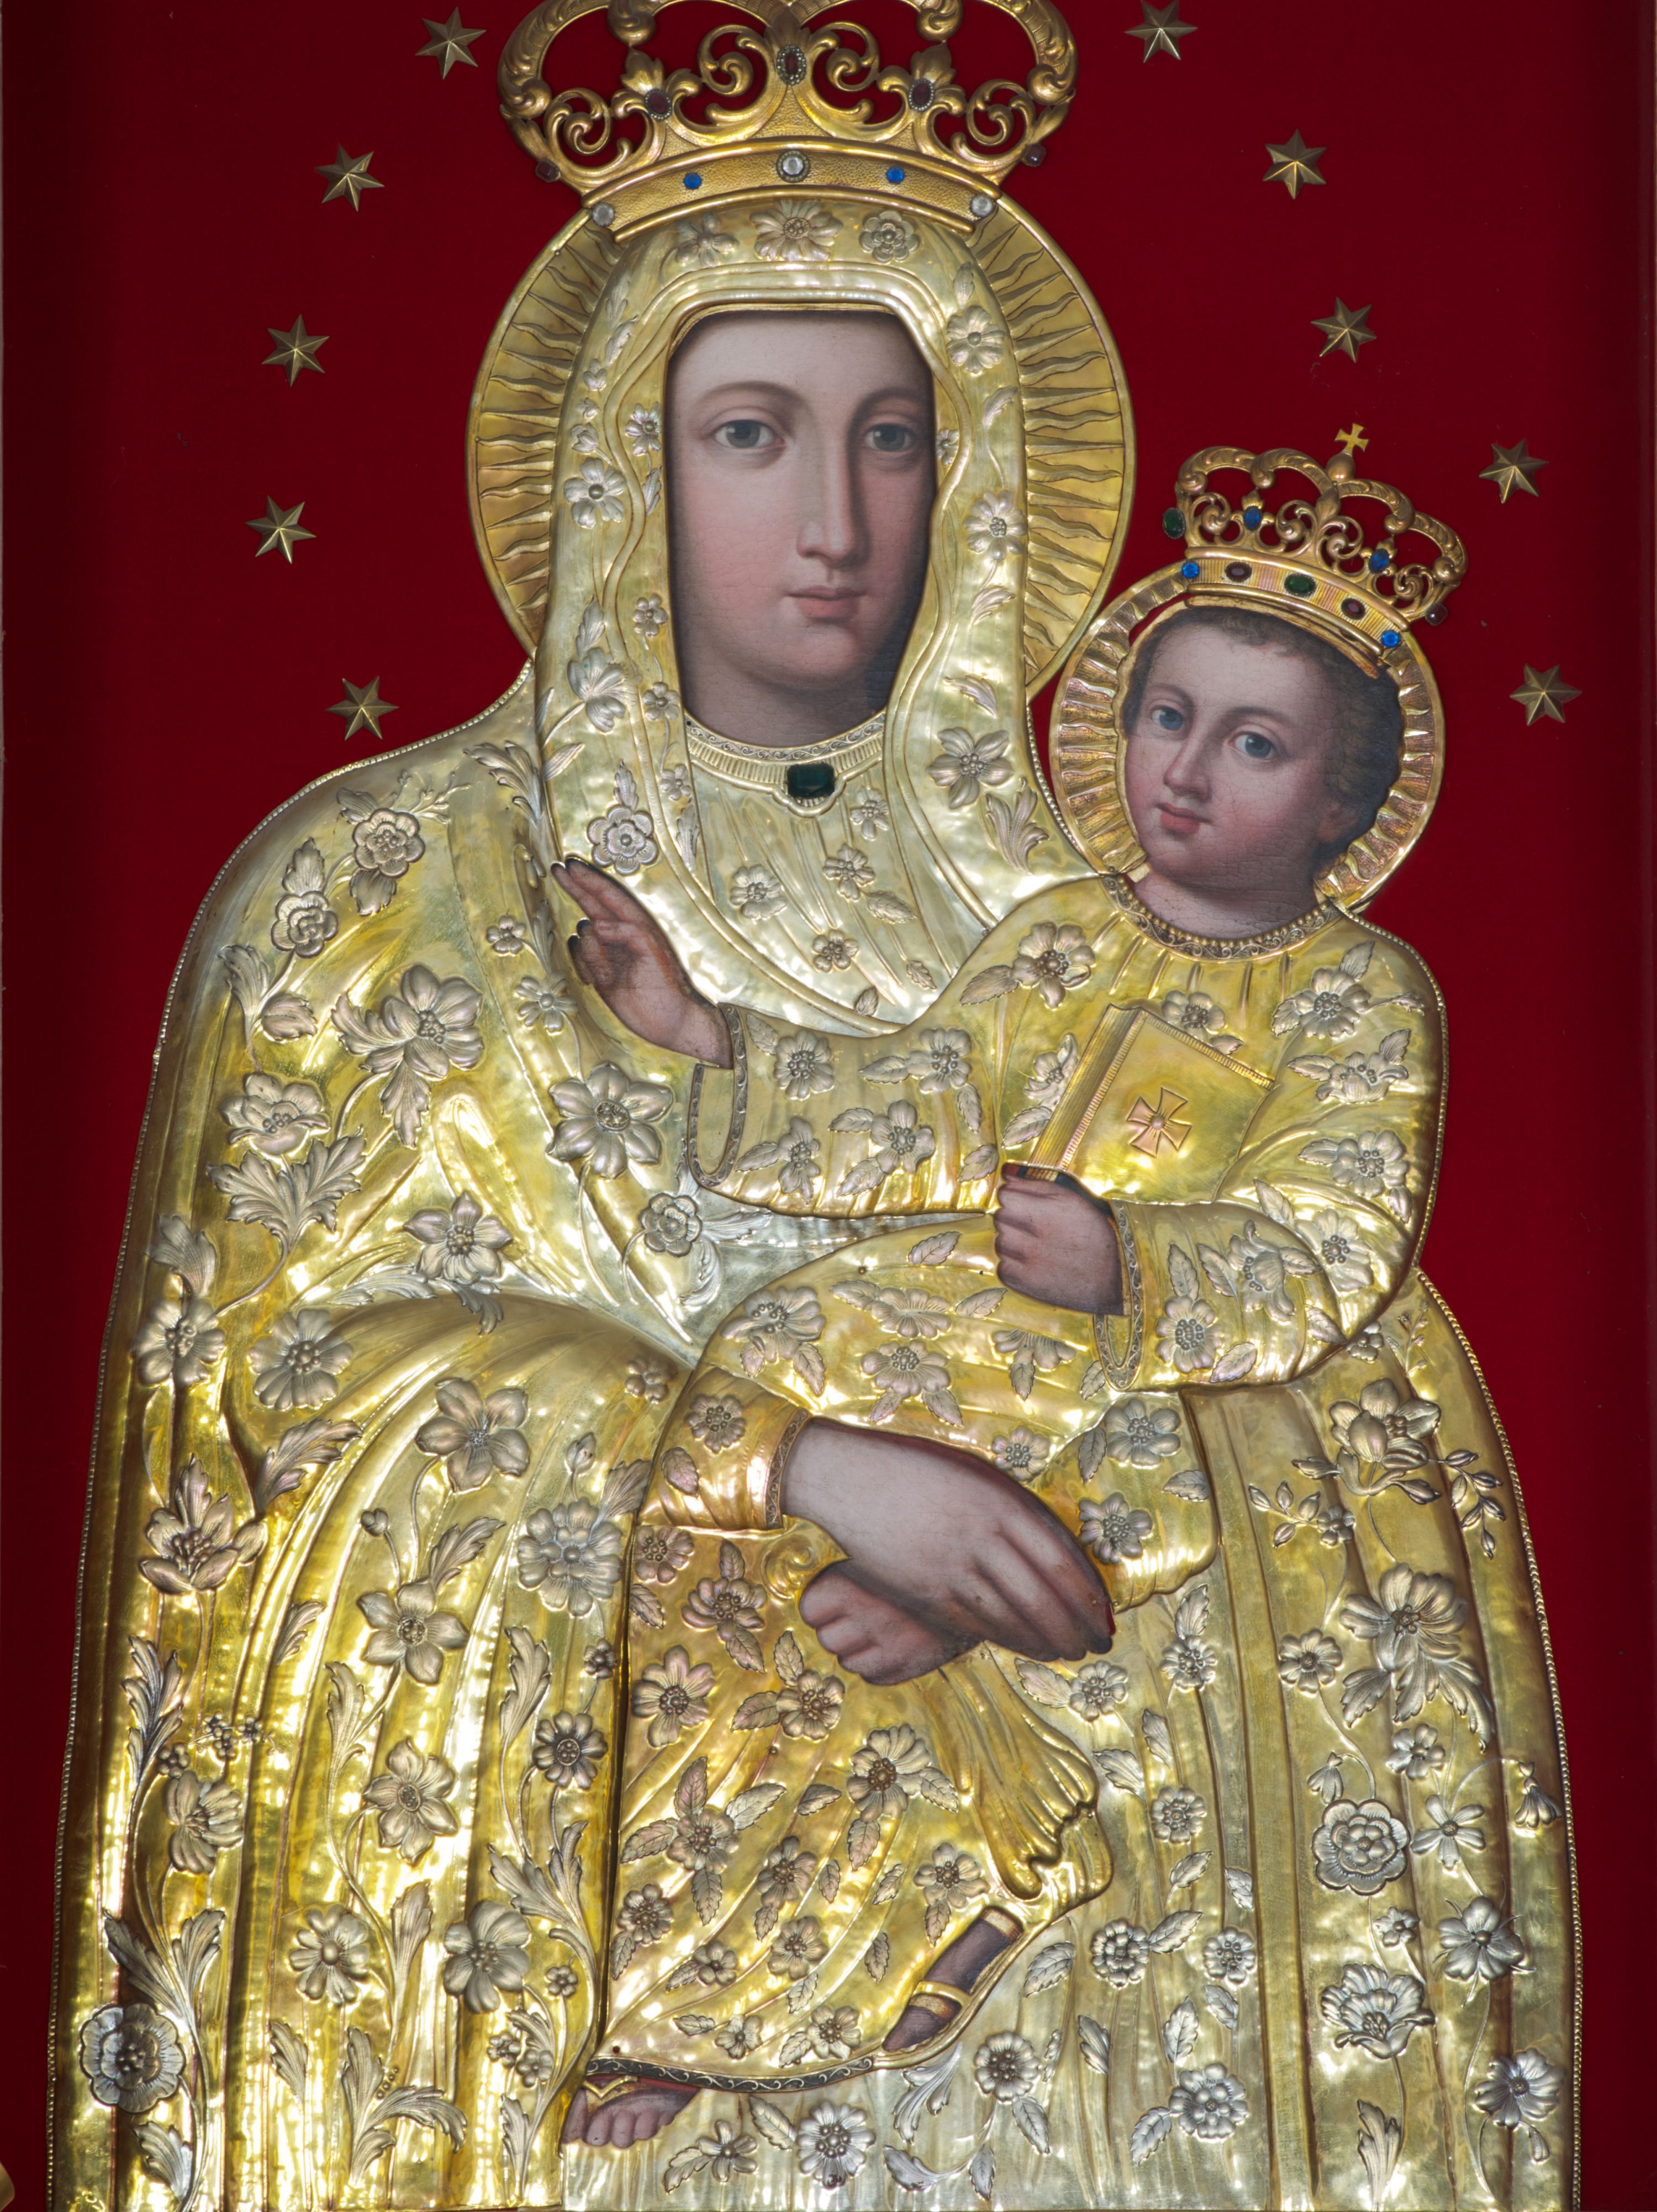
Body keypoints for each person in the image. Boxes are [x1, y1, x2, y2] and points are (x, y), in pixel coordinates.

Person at [48, 165, 1137, 2208]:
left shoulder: (1113, 936)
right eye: (753, 435)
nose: (836, 525)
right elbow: (265, 1412)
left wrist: (1061, 1555)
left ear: (977, 475)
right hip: (550, 1867)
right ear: (629, 463)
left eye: (893, 440)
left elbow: (1278, 1368)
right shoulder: (373, 888)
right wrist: (796, 1468)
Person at [550, 536, 1575, 2211]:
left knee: (1031, 1535)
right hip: (942, 1328)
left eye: (1254, 742)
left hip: (1181, 1382)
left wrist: (1133, 1267)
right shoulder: (1058, 938)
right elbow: (925, 1108)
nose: (1188, 768)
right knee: (716, 1511)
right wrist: (705, 1036)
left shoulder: (1360, 995)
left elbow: (1334, 1236)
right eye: (1170, 716)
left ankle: (976, 1838)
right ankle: (726, 1971)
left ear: (1341, 803)